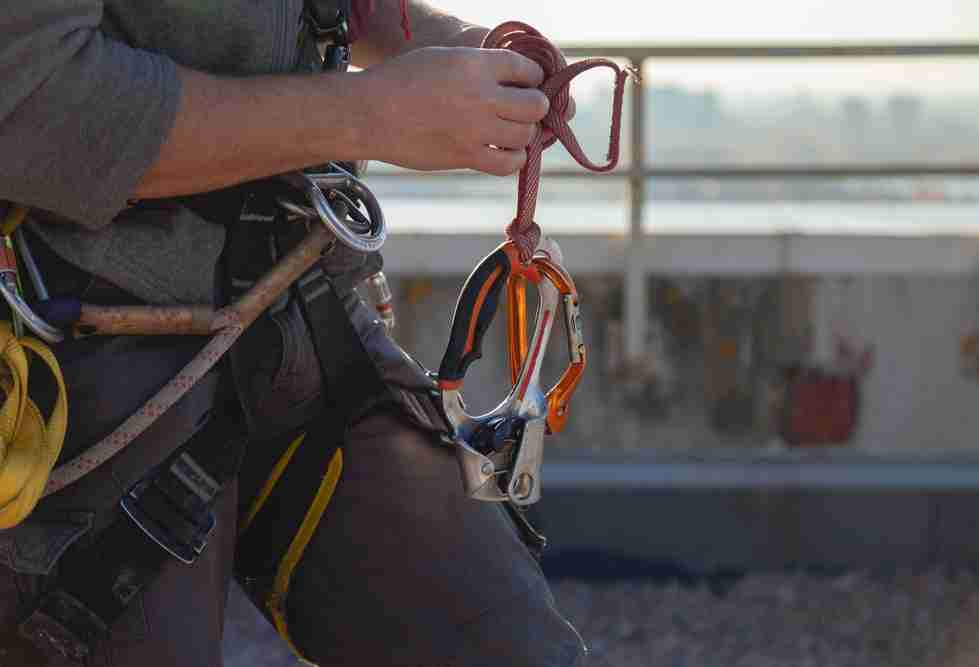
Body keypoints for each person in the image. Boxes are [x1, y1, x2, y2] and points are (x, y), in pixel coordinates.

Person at [0, 1, 587, 665]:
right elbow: (28, 96)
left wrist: (472, 56)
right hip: (82, 344)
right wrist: (373, 112)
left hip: (303, 309)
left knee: (515, 647)